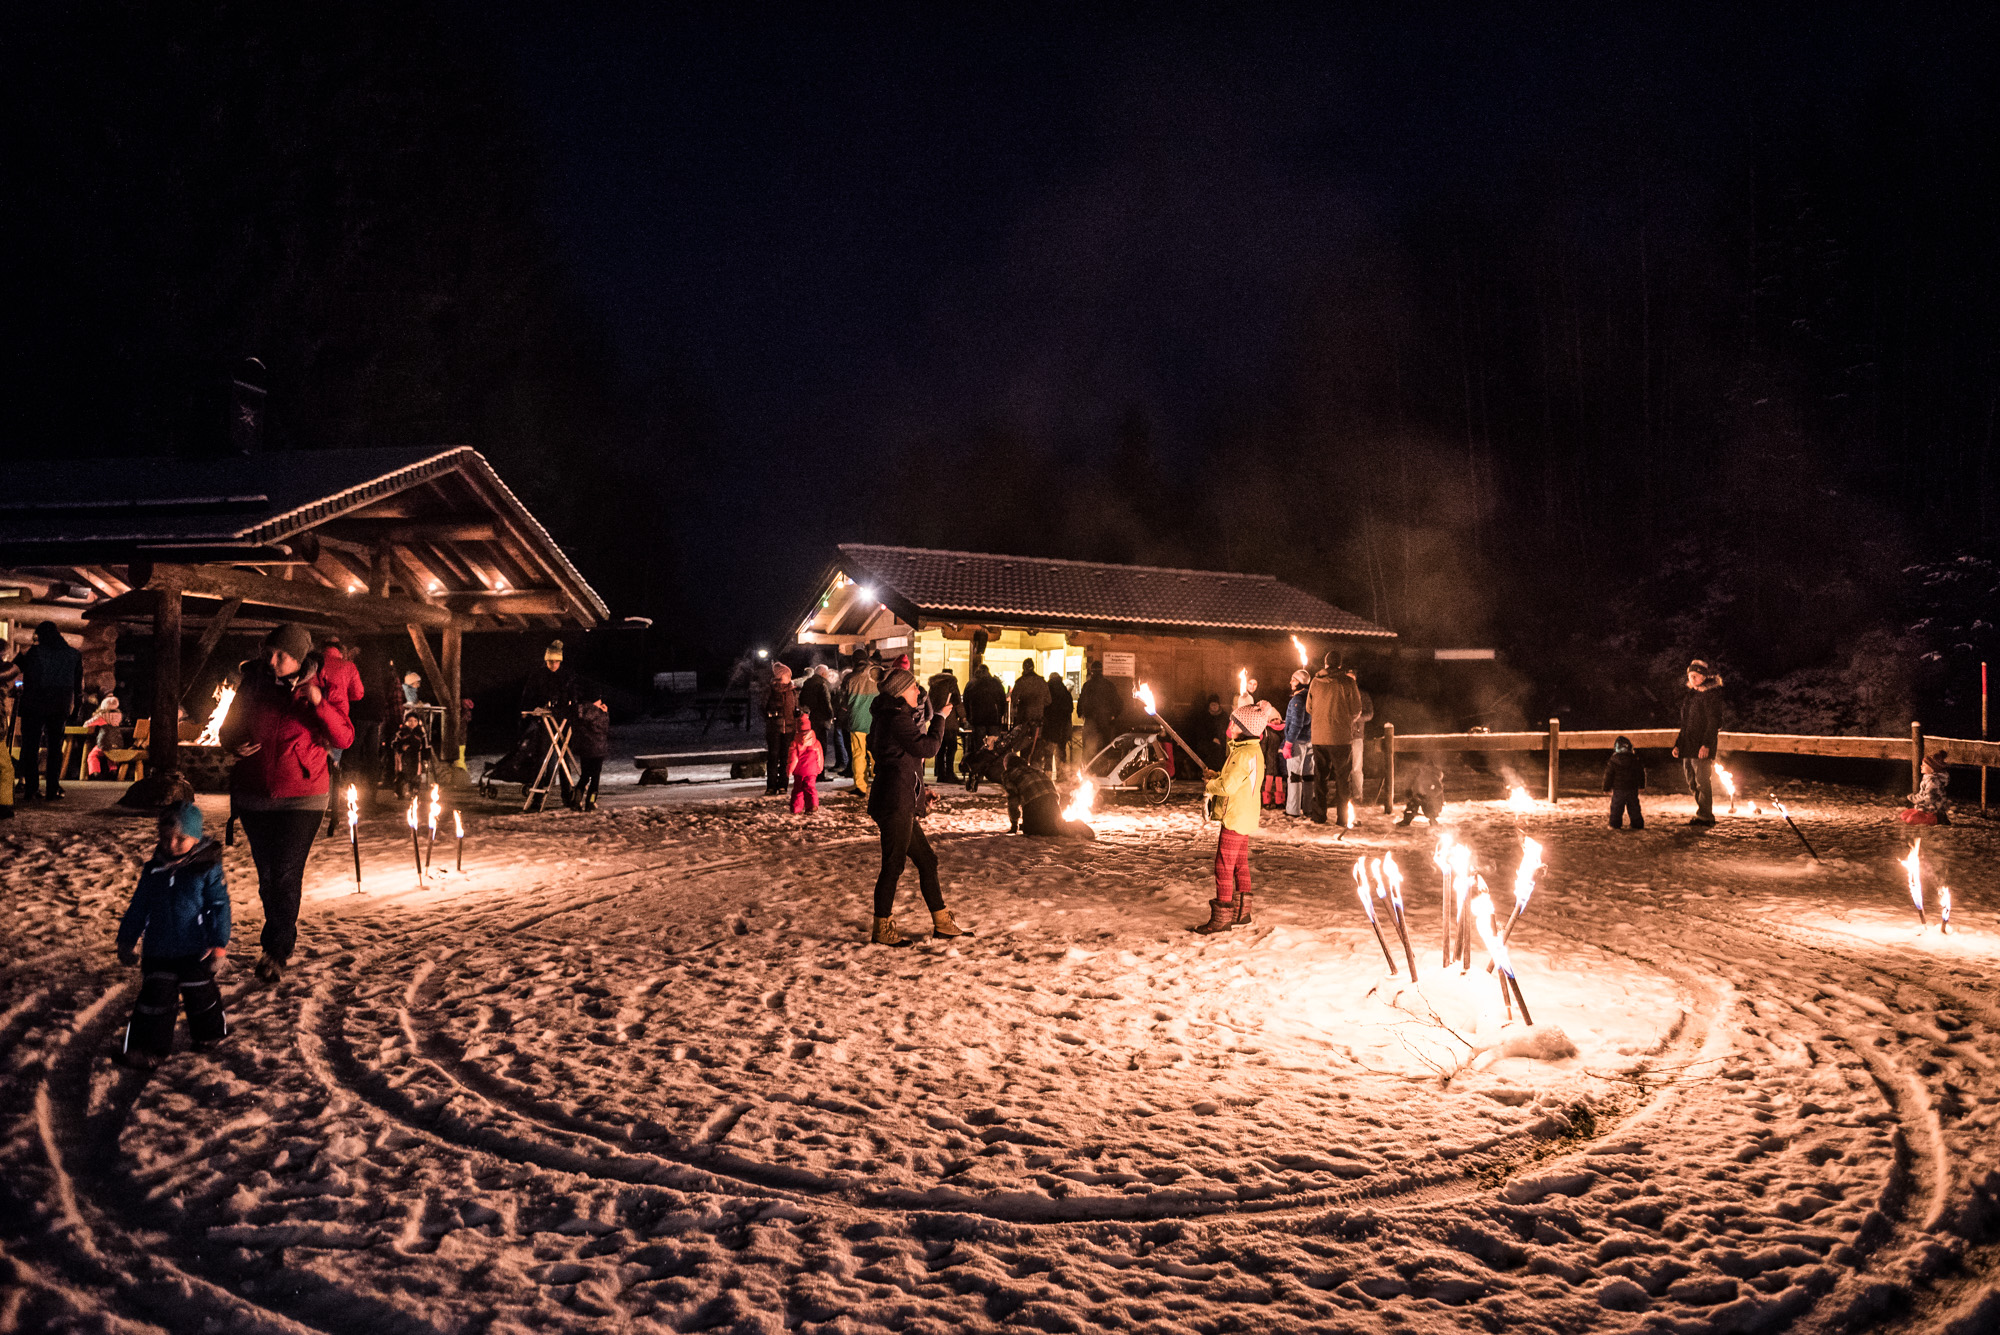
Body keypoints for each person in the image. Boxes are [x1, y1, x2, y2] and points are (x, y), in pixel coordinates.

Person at [219, 624, 352, 983]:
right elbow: (228, 727)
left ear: (300, 656)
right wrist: (233, 743)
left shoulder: (324, 685)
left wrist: (319, 704)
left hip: (304, 794)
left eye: (282, 655)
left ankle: (277, 950)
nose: (272, 660)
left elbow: (344, 736)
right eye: (270, 652)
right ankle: (276, 939)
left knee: (285, 872)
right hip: (254, 793)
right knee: (268, 878)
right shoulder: (254, 681)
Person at [113, 801, 230, 1068]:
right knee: (154, 1000)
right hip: (158, 949)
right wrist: (127, 940)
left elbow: (219, 906)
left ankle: (210, 1035)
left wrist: (218, 944)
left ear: (196, 837)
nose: (172, 844)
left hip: (195, 948)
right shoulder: (153, 870)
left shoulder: (206, 869)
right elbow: (138, 907)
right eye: (166, 838)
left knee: (201, 995)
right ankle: (147, 1049)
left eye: (181, 838)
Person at [866, 668, 966, 946]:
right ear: (899, 692)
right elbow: (928, 748)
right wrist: (941, 719)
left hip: (900, 798)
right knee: (893, 865)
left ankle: (942, 922)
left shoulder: (893, 716)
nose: (918, 693)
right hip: (895, 802)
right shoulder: (896, 718)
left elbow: (904, 762)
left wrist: (922, 794)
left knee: (927, 860)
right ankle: (882, 928)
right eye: (913, 689)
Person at [1193, 701, 1279, 934]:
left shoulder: (1242, 754)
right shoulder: (1251, 751)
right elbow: (1235, 779)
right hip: (1246, 815)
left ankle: (1222, 917)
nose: (1230, 724)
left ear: (1245, 728)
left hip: (1235, 816)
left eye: (1235, 722)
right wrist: (1217, 775)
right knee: (1240, 864)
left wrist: (1211, 784)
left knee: (1223, 865)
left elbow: (1229, 786)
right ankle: (1242, 912)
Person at [16, 620, 82, 800]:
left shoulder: (34, 652)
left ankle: (31, 787)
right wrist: (76, 709)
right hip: (60, 704)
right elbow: (78, 686)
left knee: (30, 746)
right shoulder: (73, 655)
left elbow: (16, 667)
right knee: (55, 747)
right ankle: (53, 788)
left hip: (34, 703)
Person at [1307, 651, 1362, 826]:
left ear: (1325, 664)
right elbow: (1356, 709)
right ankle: (1343, 818)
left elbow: (1309, 707)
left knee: (1320, 777)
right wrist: (1345, 720)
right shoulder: (1348, 682)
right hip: (1341, 738)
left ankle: (1319, 816)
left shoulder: (1315, 682)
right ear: (1339, 665)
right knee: (1342, 779)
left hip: (1319, 737)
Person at [1672, 660, 1724, 826]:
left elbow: (1713, 722)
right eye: (1690, 675)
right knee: (1692, 781)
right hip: (1688, 745)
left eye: (1696, 675)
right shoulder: (1690, 696)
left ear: (1703, 677)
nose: (1693, 678)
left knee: (1702, 781)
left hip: (1701, 746)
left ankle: (1706, 815)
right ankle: (1702, 811)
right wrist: (1678, 744)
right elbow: (1685, 724)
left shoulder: (1710, 696)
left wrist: (1706, 745)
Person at [1003, 752, 1096, 839]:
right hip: (1052, 799)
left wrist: (1014, 823)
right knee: (1056, 826)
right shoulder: (1035, 769)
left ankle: (1075, 825)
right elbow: (1050, 787)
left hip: (1033, 803)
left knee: (1033, 832)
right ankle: (1073, 826)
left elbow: (1013, 800)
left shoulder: (1009, 774)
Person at [961, 662, 1008, 789]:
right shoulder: (995, 683)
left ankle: (979, 772)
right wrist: (1000, 715)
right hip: (993, 719)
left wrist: (969, 717)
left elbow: (965, 701)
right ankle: (995, 771)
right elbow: (1002, 700)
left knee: (979, 747)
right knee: (995, 747)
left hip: (977, 720)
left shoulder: (972, 684)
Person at [1076, 659, 1123, 762]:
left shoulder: (1087, 686)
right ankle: (1102, 770)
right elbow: (1118, 703)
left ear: (1091, 671)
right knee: (1104, 748)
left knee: (1088, 749)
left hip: (1090, 721)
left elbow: (1081, 701)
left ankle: (1088, 771)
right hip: (1105, 721)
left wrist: (1080, 713)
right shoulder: (1109, 685)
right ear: (1102, 671)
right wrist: (1114, 715)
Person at [763, 663, 798, 797]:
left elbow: (796, 707)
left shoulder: (792, 691)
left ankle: (783, 785)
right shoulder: (770, 690)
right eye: (786, 675)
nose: (789, 677)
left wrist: (797, 714)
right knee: (773, 757)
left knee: (785, 758)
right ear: (780, 676)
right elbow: (763, 707)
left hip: (789, 728)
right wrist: (770, 716)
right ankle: (771, 786)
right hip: (774, 729)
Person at [846, 657, 880, 796]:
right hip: (874, 722)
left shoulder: (852, 679)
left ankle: (860, 786)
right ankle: (879, 782)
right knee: (876, 754)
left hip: (857, 722)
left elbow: (845, 699)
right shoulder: (877, 680)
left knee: (858, 754)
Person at [1282, 669, 1312, 818]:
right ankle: (1308, 807)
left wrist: (1288, 742)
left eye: (1293, 680)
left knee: (1294, 776)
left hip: (1298, 742)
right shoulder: (1312, 696)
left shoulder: (1298, 700)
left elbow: (1297, 723)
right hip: (1310, 740)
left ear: (1300, 682)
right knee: (1308, 776)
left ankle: (1293, 810)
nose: (1290, 682)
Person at [572, 696, 610, 812]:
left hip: (585, 749)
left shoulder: (580, 710)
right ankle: (591, 802)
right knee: (595, 778)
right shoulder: (598, 713)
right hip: (598, 750)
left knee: (584, 776)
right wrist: (605, 713)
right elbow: (604, 728)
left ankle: (576, 800)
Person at [927, 666, 963, 782]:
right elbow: (957, 701)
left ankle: (940, 773)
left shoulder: (934, 684)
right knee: (952, 748)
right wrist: (963, 716)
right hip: (949, 720)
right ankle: (950, 773)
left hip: (936, 719)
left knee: (940, 748)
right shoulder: (951, 682)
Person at [1604, 735, 1646, 830]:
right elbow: (1640, 773)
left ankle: (1614, 825)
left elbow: (1609, 775)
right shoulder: (1635, 759)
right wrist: (1641, 786)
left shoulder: (1613, 761)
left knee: (1616, 808)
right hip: (1632, 788)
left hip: (1619, 789)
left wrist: (1606, 788)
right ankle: (1637, 825)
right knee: (1634, 807)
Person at [1904, 748, 1952, 825]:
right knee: (1904, 815)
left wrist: (1913, 798)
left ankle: (1939, 820)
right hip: (1926, 809)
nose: (1921, 766)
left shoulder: (1933, 782)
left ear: (1932, 768)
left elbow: (1928, 798)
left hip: (1933, 812)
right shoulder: (1928, 778)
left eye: (1924, 765)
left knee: (1911, 819)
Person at [789, 712, 825, 814]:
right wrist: (820, 768)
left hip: (799, 771)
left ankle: (796, 808)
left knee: (798, 791)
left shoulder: (795, 742)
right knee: (811, 789)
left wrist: (789, 770)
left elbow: (793, 758)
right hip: (812, 771)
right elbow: (820, 757)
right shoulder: (816, 742)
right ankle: (812, 806)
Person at [1395, 759, 1447, 827]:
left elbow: (1439, 788)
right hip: (1417, 795)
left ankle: (1433, 820)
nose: (1424, 768)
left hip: (1428, 797)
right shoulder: (1418, 774)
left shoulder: (1433, 775)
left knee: (1430, 810)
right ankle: (1406, 820)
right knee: (1411, 807)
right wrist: (1408, 790)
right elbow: (1411, 782)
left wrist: (1431, 795)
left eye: (1427, 766)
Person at [83, 693, 123, 777]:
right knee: (111, 756)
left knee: (93, 755)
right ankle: (113, 770)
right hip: (117, 742)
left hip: (104, 743)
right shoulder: (119, 716)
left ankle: (95, 771)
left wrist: (85, 724)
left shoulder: (102, 716)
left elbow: (89, 723)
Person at [1350, 678, 1375, 813]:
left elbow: (1369, 714)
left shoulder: (1362, 695)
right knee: (1342, 768)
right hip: (1341, 735)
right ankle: (1343, 795)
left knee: (1356, 767)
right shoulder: (1341, 693)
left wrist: (1355, 718)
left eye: (1352, 678)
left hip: (1357, 736)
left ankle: (1357, 795)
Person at [1043, 670, 1074, 772]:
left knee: (1048, 753)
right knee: (1061, 752)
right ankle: (1062, 777)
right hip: (1062, 727)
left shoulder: (1047, 690)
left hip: (1049, 727)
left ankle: (1047, 774)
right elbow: (1070, 709)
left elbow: (1044, 707)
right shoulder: (1065, 692)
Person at [1259, 698, 1287, 808]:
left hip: (1280, 760)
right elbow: (1263, 746)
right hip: (1270, 760)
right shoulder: (1267, 731)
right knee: (1269, 780)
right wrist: (1262, 760)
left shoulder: (1284, 731)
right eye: (1273, 719)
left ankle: (1280, 801)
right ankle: (1267, 801)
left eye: (1277, 719)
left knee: (1279, 780)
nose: (1276, 721)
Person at [1009, 658, 1050, 733]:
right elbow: (1048, 700)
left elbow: (1014, 699)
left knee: (1021, 740)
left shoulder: (1021, 681)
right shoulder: (1042, 681)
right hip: (1038, 717)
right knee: (1036, 739)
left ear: (1024, 668)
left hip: (1024, 717)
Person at [1193, 693, 1229, 773]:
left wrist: (1222, 739)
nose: (1214, 707)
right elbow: (1201, 731)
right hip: (1208, 742)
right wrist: (1212, 738)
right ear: (1209, 705)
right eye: (1212, 705)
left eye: (1216, 705)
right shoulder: (1204, 716)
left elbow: (1227, 729)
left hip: (1222, 741)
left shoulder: (1224, 716)